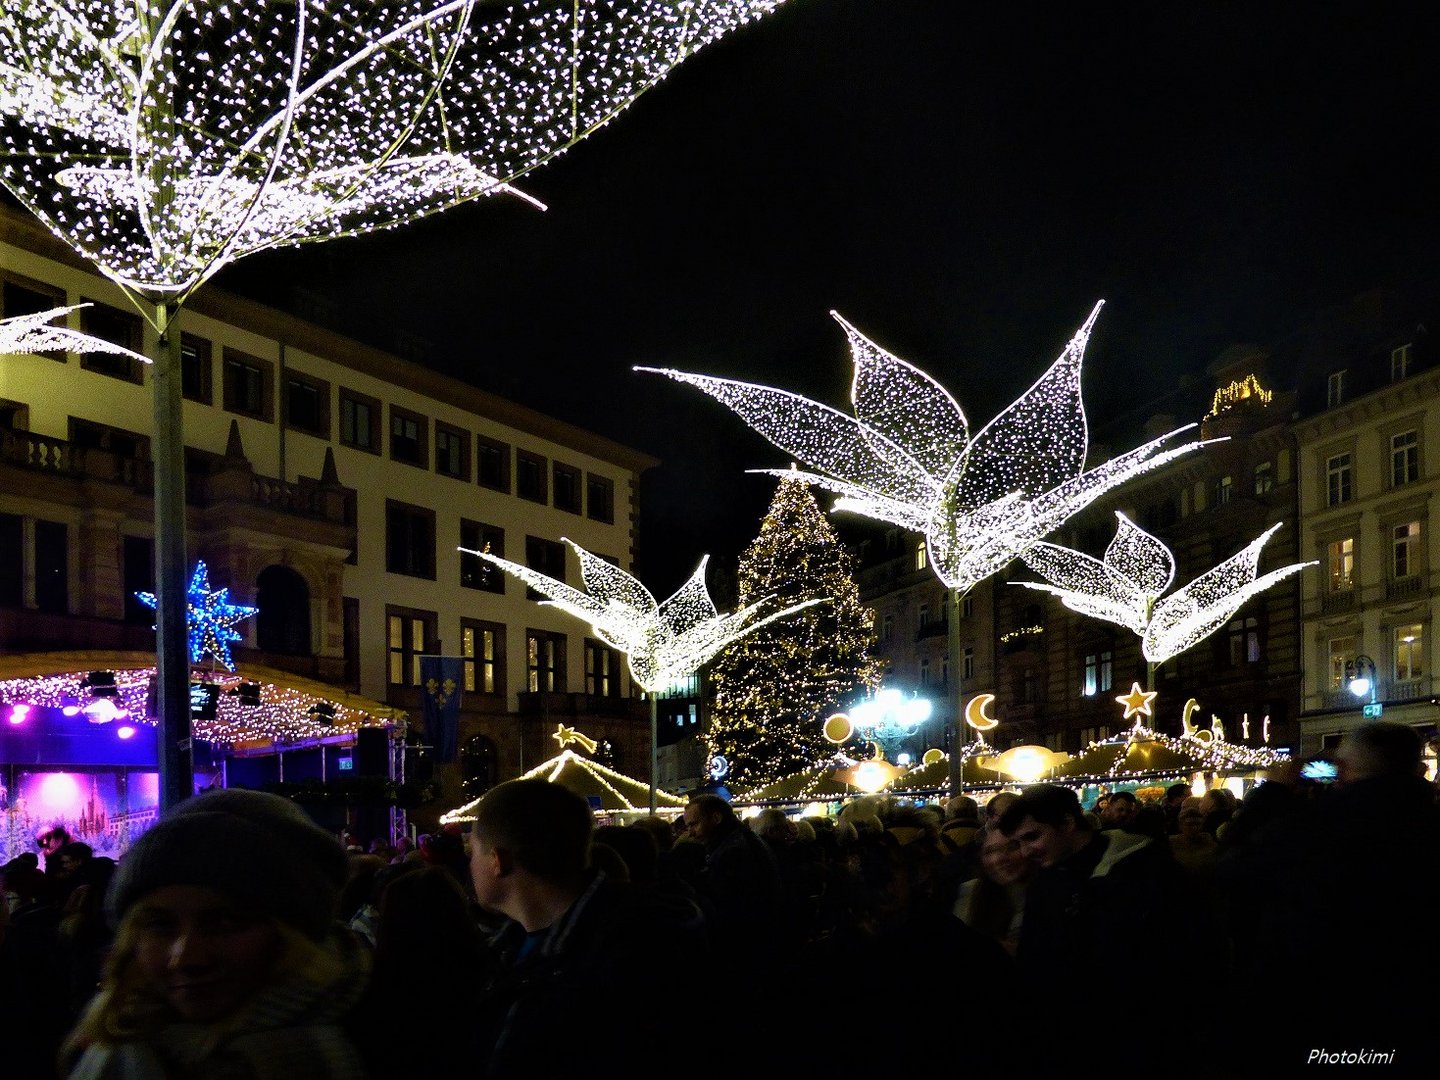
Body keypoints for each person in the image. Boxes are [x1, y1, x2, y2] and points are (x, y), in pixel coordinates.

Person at [59, 788, 369, 1080]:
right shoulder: (120, 1039)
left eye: (226, 923)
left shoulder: (362, 1048)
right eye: (160, 925)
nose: (186, 958)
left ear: (294, 936)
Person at [467, 779, 710, 1078]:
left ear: (496, 861)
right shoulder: (511, 945)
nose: (470, 864)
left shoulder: (630, 959)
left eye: (473, 851)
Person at [953, 824, 1029, 956]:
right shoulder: (971, 891)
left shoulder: (1050, 895)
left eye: (1012, 847)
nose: (1000, 858)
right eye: (991, 851)